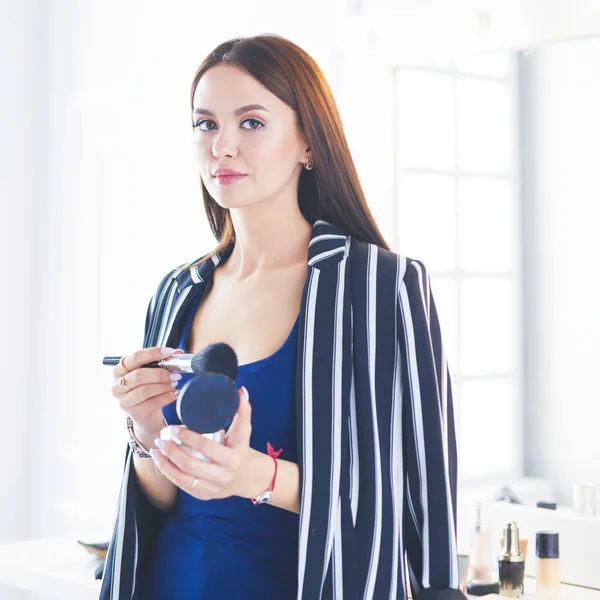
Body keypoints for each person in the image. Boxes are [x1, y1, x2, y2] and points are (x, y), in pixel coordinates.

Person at [100, 34, 466, 600]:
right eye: (205, 124)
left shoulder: (381, 287)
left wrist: (253, 477)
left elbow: (419, 511)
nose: (221, 146)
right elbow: (160, 497)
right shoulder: (176, 291)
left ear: (308, 145)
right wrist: (148, 434)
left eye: (250, 123)